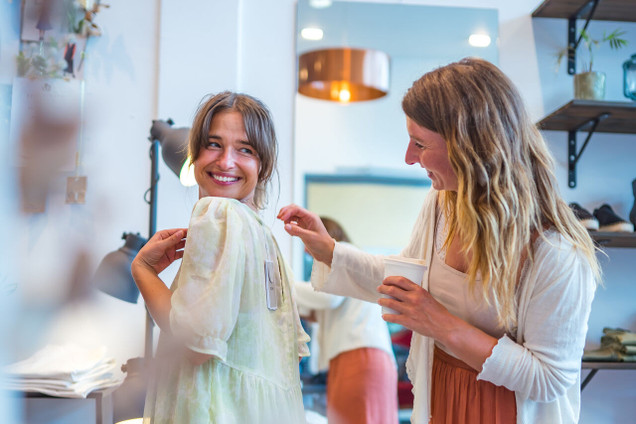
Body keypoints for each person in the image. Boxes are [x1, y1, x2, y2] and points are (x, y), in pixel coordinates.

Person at [278, 58, 600, 424]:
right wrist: (329, 250)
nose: (409, 157)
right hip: (441, 396)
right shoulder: (441, 205)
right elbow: (403, 280)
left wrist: (441, 324)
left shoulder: (556, 253)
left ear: (470, 147)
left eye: (419, 143)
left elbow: (550, 377)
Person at [131, 91, 310, 423]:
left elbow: (195, 346)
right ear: (195, 154)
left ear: (263, 164)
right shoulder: (263, 235)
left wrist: (142, 270)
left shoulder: (218, 212)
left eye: (245, 149)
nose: (226, 161)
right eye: (214, 144)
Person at [295, 217, 398, 424]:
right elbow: (318, 308)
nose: (306, 252)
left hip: (360, 356)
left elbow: (328, 298)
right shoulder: (338, 261)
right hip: (356, 356)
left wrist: (284, 282)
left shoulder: (342, 253)